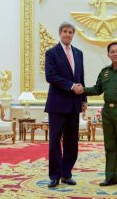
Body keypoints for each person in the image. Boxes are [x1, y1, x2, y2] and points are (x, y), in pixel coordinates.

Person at [74, 42, 117, 188]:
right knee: (109, 146)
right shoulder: (105, 71)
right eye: (112, 52)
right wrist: (82, 90)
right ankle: (111, 177)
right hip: (108, 112)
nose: (115, 54)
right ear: (108, 54)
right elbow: (97, 89)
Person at [44, 22, 87, 188]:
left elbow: (81, 78)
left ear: (73, 34)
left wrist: (83, 100)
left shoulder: (78, 53)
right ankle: (54, 175)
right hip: (57, 105)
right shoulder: (51, 53)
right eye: (65, 32)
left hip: (74, 105)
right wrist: (71, 86)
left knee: (72, 142)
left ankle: (66, 173)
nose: (67, 34)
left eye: (70, 32)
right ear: (60, 33)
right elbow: (50, 76)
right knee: (55, 141)